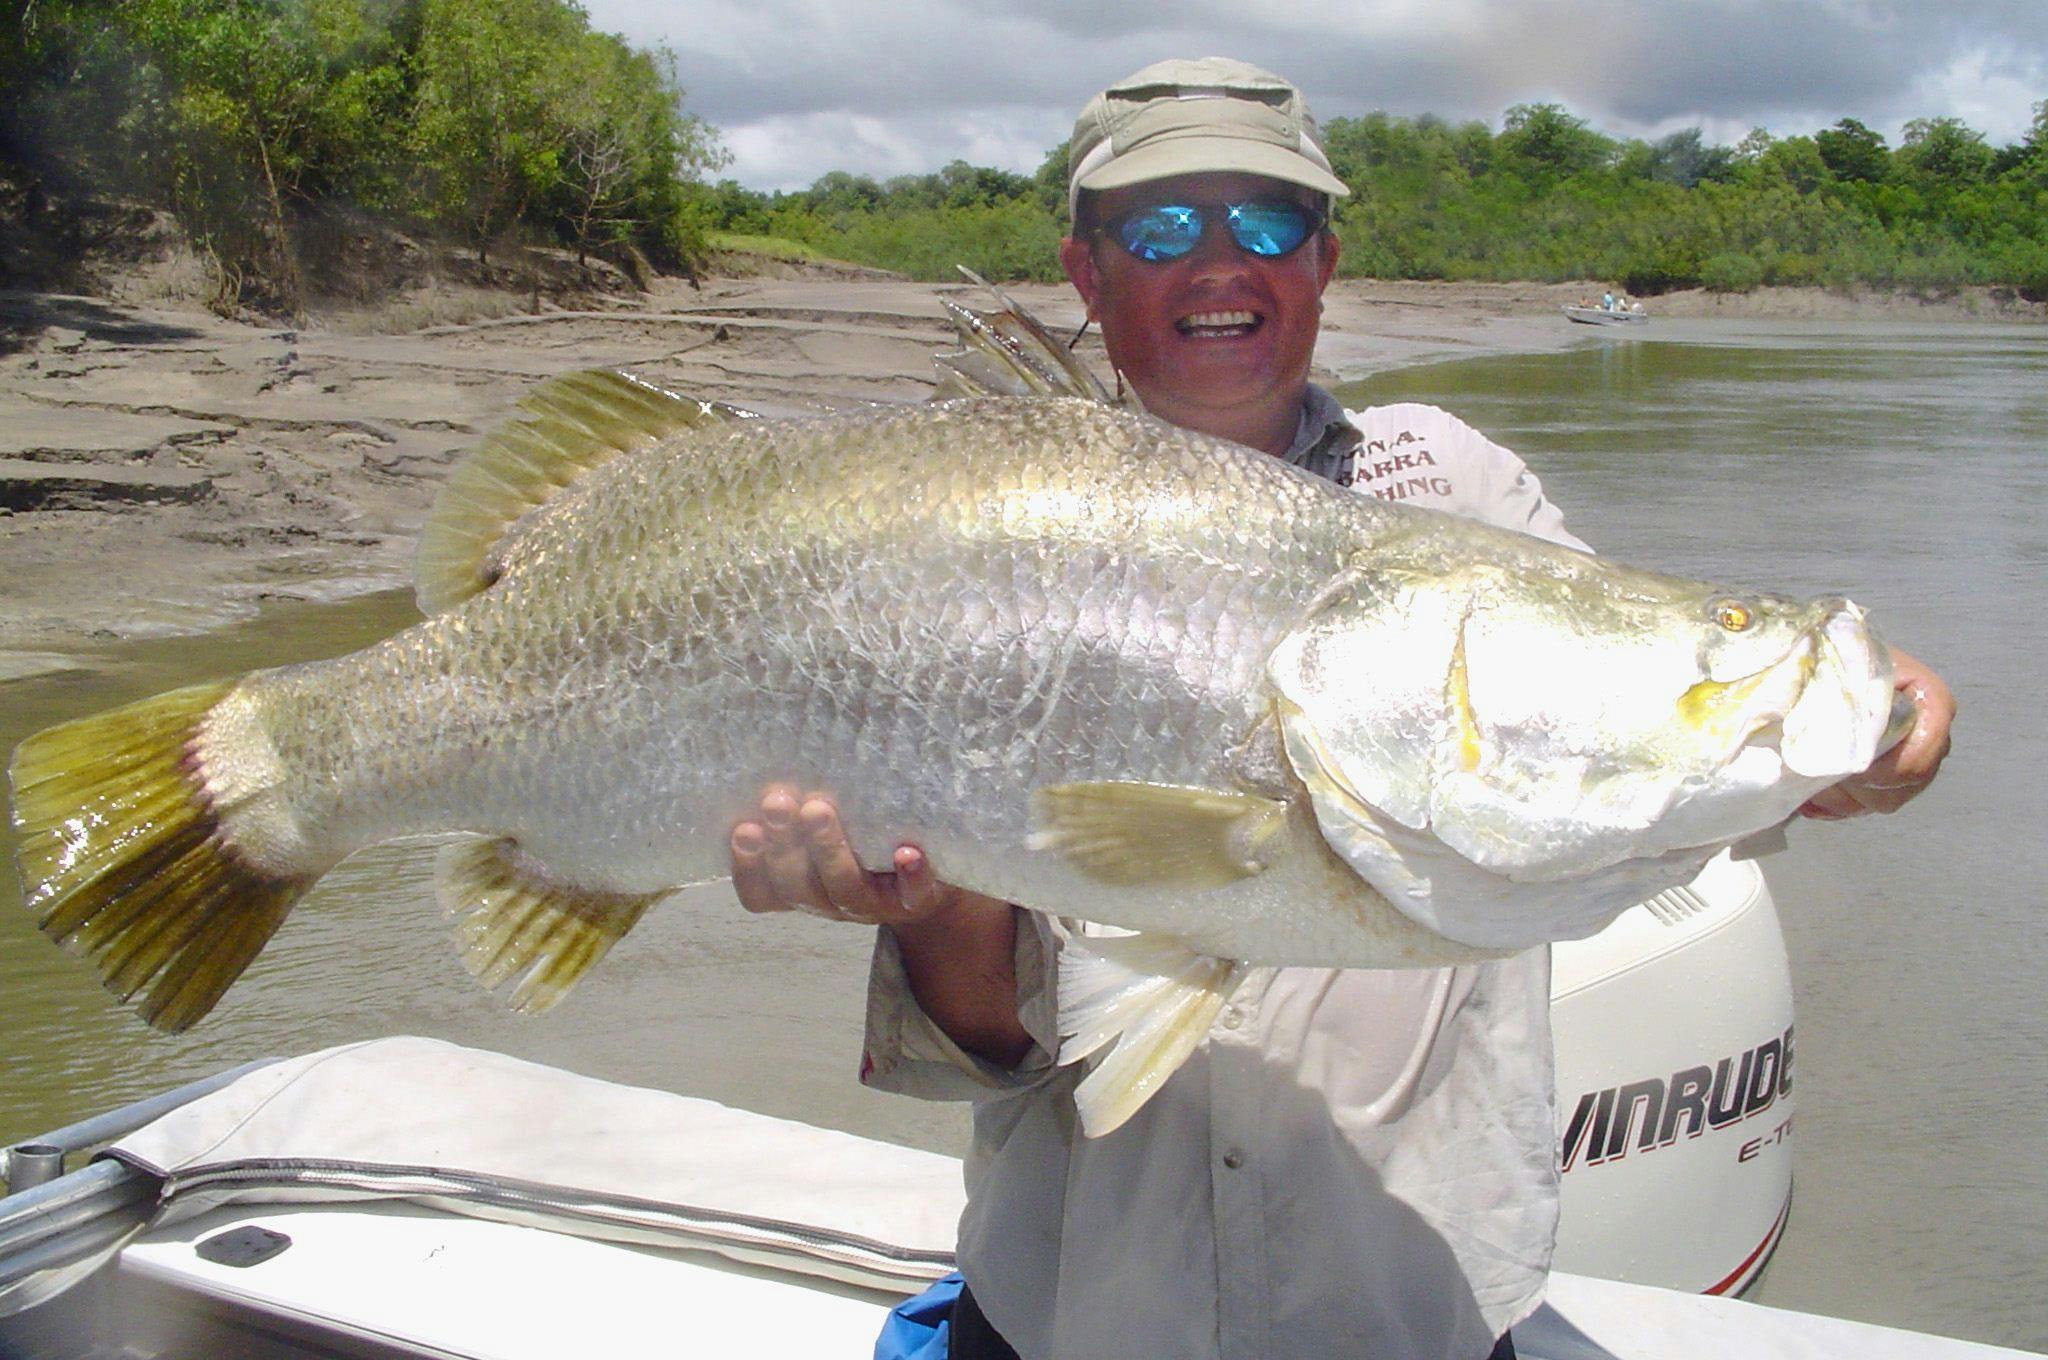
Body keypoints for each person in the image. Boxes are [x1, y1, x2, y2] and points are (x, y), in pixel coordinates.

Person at [726, 58, 1956, 1360]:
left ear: (1322, 259)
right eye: (1159, 228)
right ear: (1087, 276)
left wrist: (1859, 719)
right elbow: (991, 1039)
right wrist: (929, 890)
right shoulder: (971, 534)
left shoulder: (1459, 497)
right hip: (1068, 1320)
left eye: (1268, 221)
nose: (1220, 265)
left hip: (1407, 1322)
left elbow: (1621, 732)